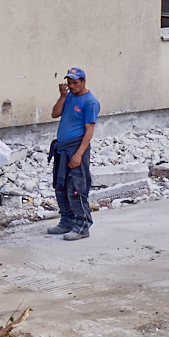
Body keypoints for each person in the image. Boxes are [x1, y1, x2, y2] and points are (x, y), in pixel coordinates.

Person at [47, 67, 99, 240]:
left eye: (75, 83)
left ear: (84, 82)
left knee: (76, 189)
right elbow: (55, 113)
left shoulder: (90, 102)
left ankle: (82, 226)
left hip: (76, 149)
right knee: (60, 186)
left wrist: (78, 154)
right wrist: (62, 95)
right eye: (69, 83)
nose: (72, 86)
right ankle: (66, 222)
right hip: (62, 149)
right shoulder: (68, 96)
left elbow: (89, 132)